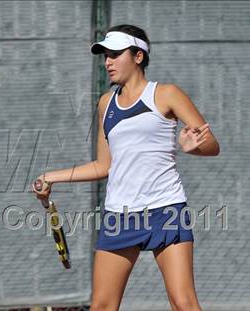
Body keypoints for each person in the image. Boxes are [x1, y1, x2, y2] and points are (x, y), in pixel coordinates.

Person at [32, 24, 220, 311]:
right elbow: (102, 165)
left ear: (138, 56)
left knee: (183, 303)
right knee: (102, 306)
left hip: (166, 210)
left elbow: (212, 145)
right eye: (105, 55)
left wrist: (194, 148)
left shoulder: (167, 94)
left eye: (115, 53)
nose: (108, 61)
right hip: (118, 215)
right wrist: (50, 177)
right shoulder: (106, 103)